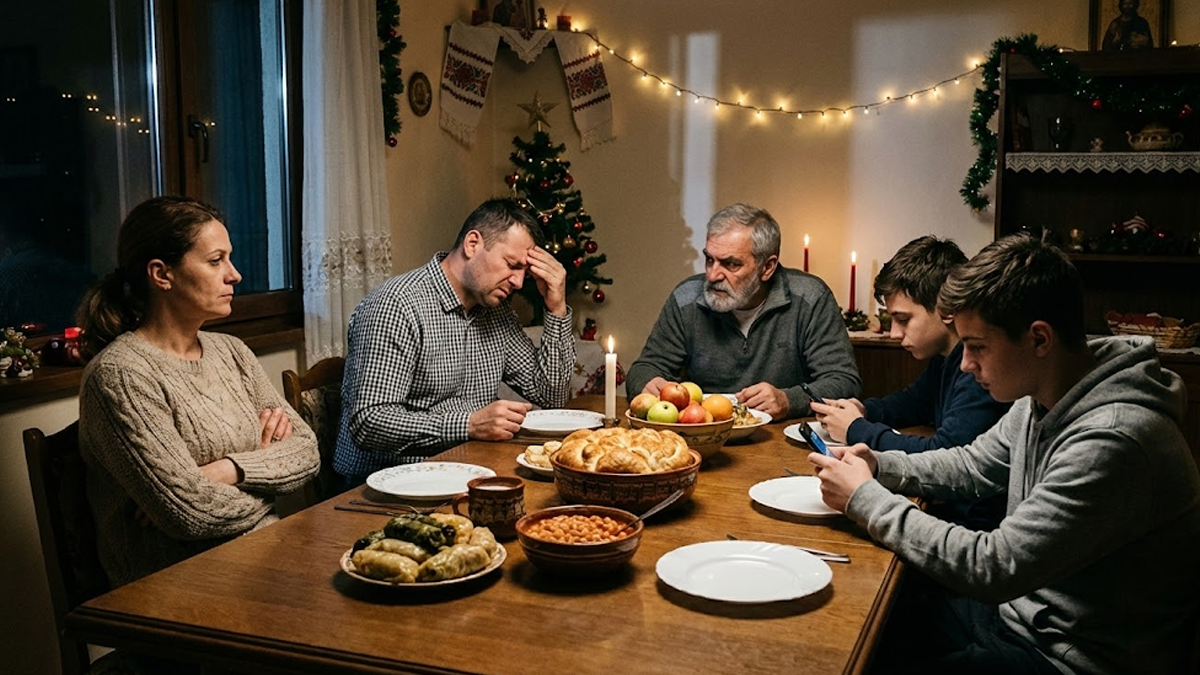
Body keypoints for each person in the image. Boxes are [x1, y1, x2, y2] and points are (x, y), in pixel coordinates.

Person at [810, 234, 1200, 674]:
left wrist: (865, 498)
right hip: (1019, 618)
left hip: (1070, 657)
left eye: (977, 346)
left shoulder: (1114, 438)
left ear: (1039, 339)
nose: (964, 364)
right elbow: (971, 466)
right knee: (864, 625)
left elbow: (994, 565)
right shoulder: (1042, 396)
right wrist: (880, 465)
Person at [77, 196, 320, 588]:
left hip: (260, 559)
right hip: (174, 589)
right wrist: (266, 480)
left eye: (230, 258)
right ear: (161, 274)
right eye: (215, 260)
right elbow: (187, 513)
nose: (235, 275)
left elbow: (307, 451)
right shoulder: (121, 376)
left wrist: (228, 470)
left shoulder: (231, 352)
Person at [334, 198, 574, 484]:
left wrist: (556, 308)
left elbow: (553, 396)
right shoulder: (396, 306)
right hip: (386, 484)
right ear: (473, 244)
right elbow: (369, 423)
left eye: (526, 272)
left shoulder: (496, 312)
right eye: (512, 265)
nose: (519, 283)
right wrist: (468, 424)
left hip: (467, 469)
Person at [811, 236, 1009, 529]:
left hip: (969, 525)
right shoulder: (945, 356)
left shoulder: (979, 370)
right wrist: (862, 410)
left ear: (946, 309)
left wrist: (856, 429)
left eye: (903, 319)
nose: (893, 333)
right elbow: (914, 401)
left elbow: (946, 453)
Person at [625, 203, 860, 420]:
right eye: (709, 260)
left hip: (782, 439)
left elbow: (844, 382)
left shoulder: (810, 298)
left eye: (731, 264)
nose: (712, 275)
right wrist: (648, 382)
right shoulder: (687, 298)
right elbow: (644, 368)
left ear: (767, 267)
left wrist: (789, 400)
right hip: (705, 433)